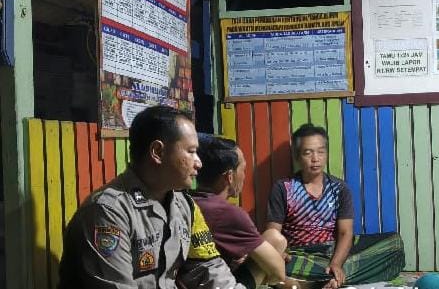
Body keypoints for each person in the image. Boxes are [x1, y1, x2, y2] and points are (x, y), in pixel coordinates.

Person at [58, 105, 244, 288]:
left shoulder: (184, 205)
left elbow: (206, 267)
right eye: (191, 151)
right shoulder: (108, 212)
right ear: (157, 152)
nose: (199, 163)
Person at [266, 124, 404, 288]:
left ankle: (317, 279)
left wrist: (336, 263)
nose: (315, 158)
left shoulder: (339, 188)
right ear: (297, 156)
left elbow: (345, 233)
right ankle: (327, 278)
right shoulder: (284, 188)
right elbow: (273, 234)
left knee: (394, 245)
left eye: (320, 152)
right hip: (300, 254)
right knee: (277, 262)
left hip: (333, 251)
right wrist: (280, 253)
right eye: (308, 153)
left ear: (326, 154)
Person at [192, 135, 300, 288]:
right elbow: (278, 272)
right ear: (230, 176)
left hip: (195, 279)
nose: (244, 176)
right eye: (243, 169)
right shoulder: (228, 213)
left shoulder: (187, 202)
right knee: (275, 239)